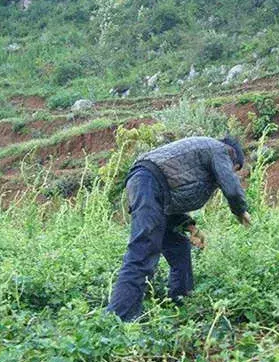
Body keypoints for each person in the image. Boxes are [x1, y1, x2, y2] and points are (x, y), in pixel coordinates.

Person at [106, 135, 251, 321]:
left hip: (151, 187)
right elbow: (231, 188)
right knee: (143, 251)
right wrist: (240, 211)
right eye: (234, 169)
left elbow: (170, 196)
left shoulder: (198, 158)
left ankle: (179, 303)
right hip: (148, 182)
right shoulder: (220, 150)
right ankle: (118, 319)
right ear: (233, 157)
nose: (231, 173)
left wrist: (190, 227)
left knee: (179, 247)